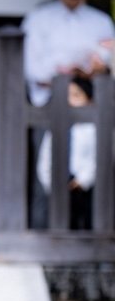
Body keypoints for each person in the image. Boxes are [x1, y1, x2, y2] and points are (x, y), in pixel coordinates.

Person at [21, 0, 114, 228]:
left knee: (92, 177)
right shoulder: (39, 20)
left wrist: (95, 69)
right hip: (48, 107)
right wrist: (66, 72)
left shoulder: (101, 22)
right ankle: (39, 242)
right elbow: (32, 68)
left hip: (90, 108)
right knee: (46, 177)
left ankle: (91, 246)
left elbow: (109, 61)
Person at [35, 77, 100, 229]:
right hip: (59, 184)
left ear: (89, 100)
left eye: (76, 95)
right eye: (68, 95)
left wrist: (83, 180)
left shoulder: (94, 129)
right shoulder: (57, 128)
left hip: (84, 187)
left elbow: (97, 159)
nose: (71, 101)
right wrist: (50, 182)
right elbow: (45, 158)